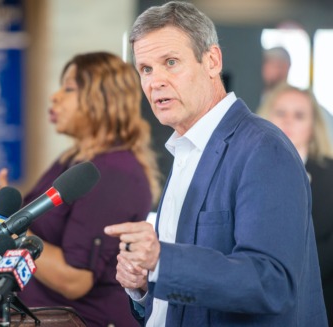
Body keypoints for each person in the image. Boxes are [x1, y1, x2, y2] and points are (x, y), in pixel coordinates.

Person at [103, 2, 328, 326]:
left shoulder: (263, 149)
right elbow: (180, 298)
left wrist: (162, 261)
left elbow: (271, 284)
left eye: (170, 62)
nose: (155, 82)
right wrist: (142, 285)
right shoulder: (185, 149)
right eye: (146, 69)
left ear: (212, 61)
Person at [0, 51, 161, 326]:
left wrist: (2, 220)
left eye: (69, 88)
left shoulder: (112, 173)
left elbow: (75, 279)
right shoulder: (73, 161)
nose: (54, 96)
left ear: (104, 99)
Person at [257, 82, 333, 326]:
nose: (288, 121)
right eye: (281, 113)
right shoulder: (245, 170)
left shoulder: (330, 176)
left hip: (319, 305)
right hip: (256, 306)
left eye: (299, 115)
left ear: (313, 126)